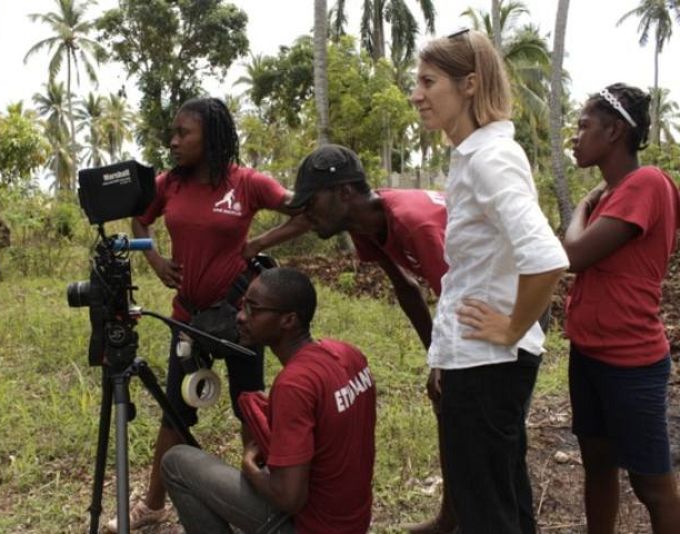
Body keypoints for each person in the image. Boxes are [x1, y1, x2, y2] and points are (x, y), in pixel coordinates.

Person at [105, 97, 306, 532]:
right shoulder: (168, 185)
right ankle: (154, 505)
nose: (173, 141)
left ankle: (258, 504)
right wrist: (155, 262)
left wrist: (260, 243)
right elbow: (141, 222)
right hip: (188, 318)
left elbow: (304, 211)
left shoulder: (247, 183)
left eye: (183, 133)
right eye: (173, 133)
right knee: (176, 412)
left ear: (210, 137)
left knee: (249, 408)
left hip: (242, 321)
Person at [247, 143, 457, 533]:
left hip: (509, 306)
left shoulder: (413, 222)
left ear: (344, 193)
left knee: (476, 416)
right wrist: (435, 356)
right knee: (447, 402)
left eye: (313, 202)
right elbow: (407, 286)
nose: (307, 214)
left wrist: (445, 361)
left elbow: (454, 295)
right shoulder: (368, 224)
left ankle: (490, 514)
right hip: (466, 307)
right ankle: (451, 517)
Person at [409, 29, 568, 533]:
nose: (417, 94)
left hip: (489, 364)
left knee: (486, 512)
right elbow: (472, 274)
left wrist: (511, 328)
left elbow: (545, 256)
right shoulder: (475, 156)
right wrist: (447, 359)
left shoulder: (489, 159)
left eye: (428, 81)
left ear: (470, 84)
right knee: (504, 499)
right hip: (478, 363)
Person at [161, 267, 377, 534]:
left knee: (176, 462)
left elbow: (290, 498)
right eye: (243, 306)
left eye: (254, 310)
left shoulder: (294, 384)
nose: (240, 317)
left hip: (312, 526)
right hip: (352, 521)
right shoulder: (349, 354)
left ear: (289, 320)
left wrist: (249, 467)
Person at [563, 83, 680, 533]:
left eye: (584, 125)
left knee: (652, 484)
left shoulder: (646, 183)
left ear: (613, 132)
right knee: (597, 465)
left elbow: (572, 257)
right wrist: (593, 200)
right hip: (589, 353)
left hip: (630, 361)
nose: (575, 135)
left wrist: (581, 205)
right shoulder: (614, 192)